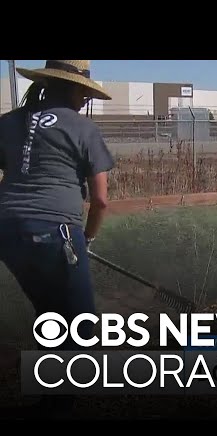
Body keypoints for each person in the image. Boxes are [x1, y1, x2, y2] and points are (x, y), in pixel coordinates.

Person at [0, 60, 115, 417]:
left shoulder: (9, 122)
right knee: (82, 326)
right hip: (57, 232)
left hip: (6, 231)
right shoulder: (83, 128)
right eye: (84, 92)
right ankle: (51, 399)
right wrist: (87, 238)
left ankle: (49, 398)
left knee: (50, 312)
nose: (85, 100)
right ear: (76, 89)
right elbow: (100, 200)